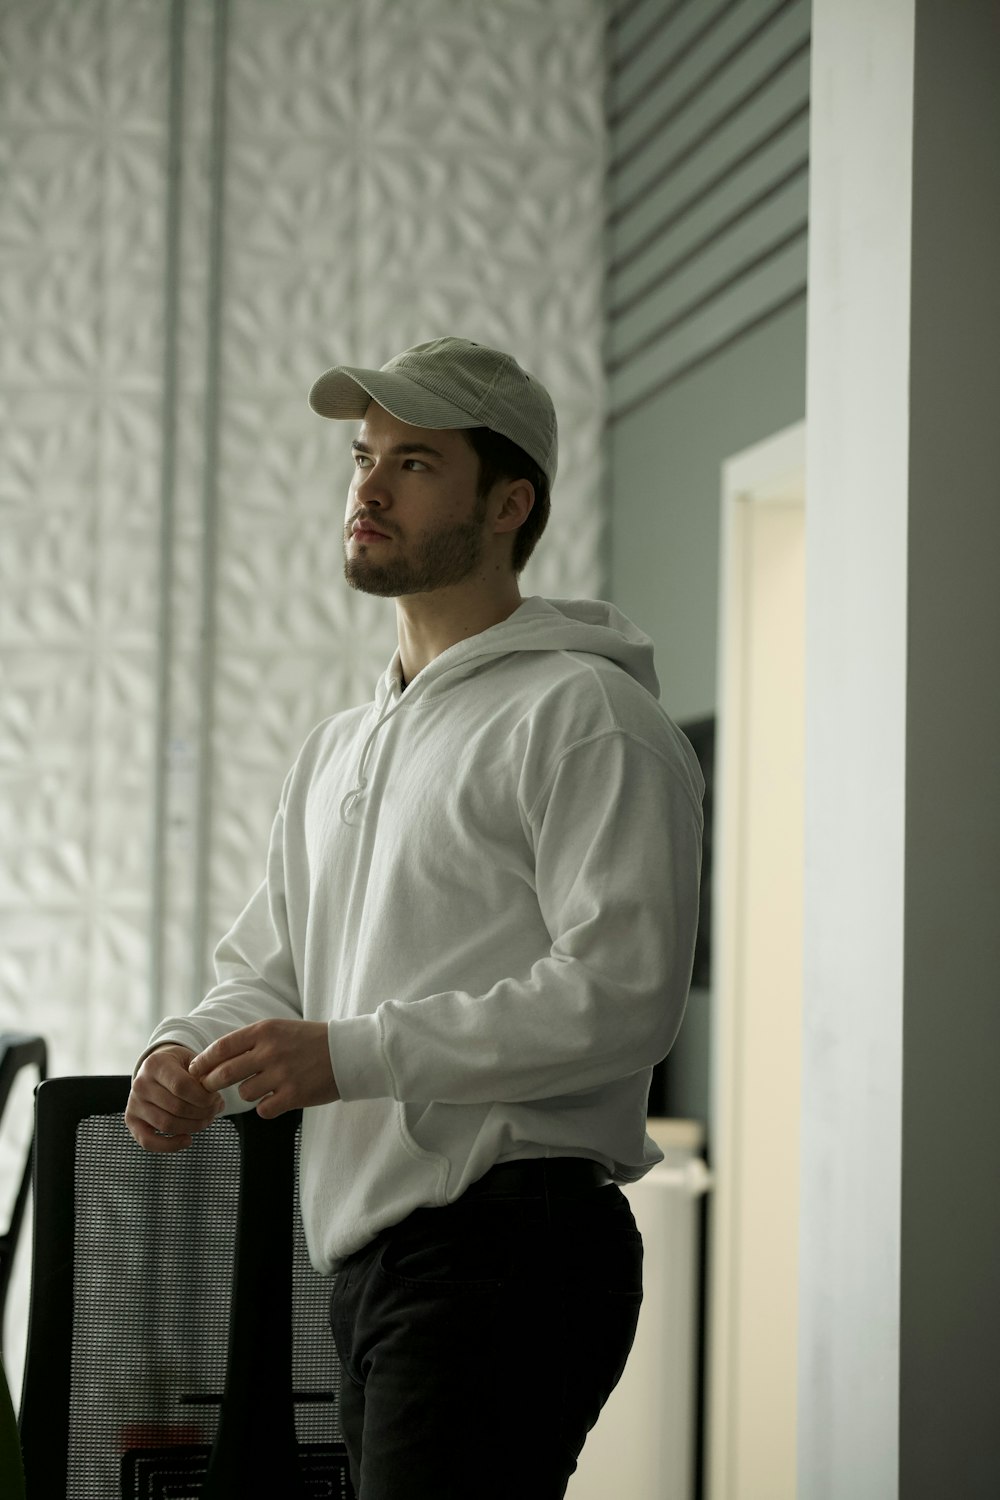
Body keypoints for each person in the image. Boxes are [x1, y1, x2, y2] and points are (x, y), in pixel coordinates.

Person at [126, 336, 704, 1499]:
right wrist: (184, 1053)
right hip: (371, 1262)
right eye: (363, 456)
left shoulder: (583, 713)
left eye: (415, 463)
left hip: (510, 1254)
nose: (369, 488)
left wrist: (355, 1054)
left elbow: (623, 997)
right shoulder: (341, 745)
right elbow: (271, 969)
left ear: (509, 502)